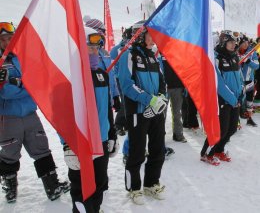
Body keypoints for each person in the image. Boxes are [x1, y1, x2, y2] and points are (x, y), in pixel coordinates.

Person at [0, 22, 70, 203]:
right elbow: (6, 92)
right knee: (10, 153)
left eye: (10, 38)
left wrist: (20, 84)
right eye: (4, 39)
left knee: (41, 149)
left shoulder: (21, 58)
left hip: (30, 114)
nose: (7, 42)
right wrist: (25, 86)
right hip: (8, 117)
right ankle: (10, 188)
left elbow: (36, 82)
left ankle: (52, 186)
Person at [63, 26, 118, 213]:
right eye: (90, 48)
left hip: (100, 140)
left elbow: (107, 110)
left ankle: (95, 209)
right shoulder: (70, 77)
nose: (95, 52)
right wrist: (66, 145)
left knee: (100, 182)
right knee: (81, 188)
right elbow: (62, 114)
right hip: (80, 142)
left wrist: (112, 135)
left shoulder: (102, 75)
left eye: (97, 48)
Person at [118, 21, 167, 205]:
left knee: (158, 150)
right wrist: (149, 100)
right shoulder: (129, 55)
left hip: (156, 112)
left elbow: (162, 82)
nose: (154, 38)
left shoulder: (154, 56)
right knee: (137, 152)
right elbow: (126, 85)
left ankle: (151, 183)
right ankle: (134, 188)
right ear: (140, 34)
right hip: (139, 112)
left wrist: (161, 98)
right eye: (151, 34)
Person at [200, 30, 243, 166]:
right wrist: (232, 98)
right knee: (221, 130)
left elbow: (240, 77)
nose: (233, 45)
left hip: (235, 99)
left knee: (232, 129)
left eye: (234, 42)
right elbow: (219, 83)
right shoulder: (217, 58)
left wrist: (240, 93)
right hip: (223, 100)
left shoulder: (234, 57)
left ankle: (219, 150)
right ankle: (206, 153)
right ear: (223, 42)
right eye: (230, 42)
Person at [162, 57, 187, 142]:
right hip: (163, 88)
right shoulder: (158, 51)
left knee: (177, 112)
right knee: (162, 114)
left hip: (178, 86)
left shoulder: (178, 51)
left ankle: (178, 134)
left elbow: (184, 69)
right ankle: (160, 135)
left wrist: (185, 86)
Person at [238, 33, 259, 126]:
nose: (246, 44)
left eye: (247, 42)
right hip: (238, 81)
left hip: (249, 80)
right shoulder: (235, 52)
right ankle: (235, 120)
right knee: (238, 100)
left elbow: (257, 66)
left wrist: (248, 61)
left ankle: (249, 119)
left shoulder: (252, 52)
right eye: (243, 43)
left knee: (249, 101)